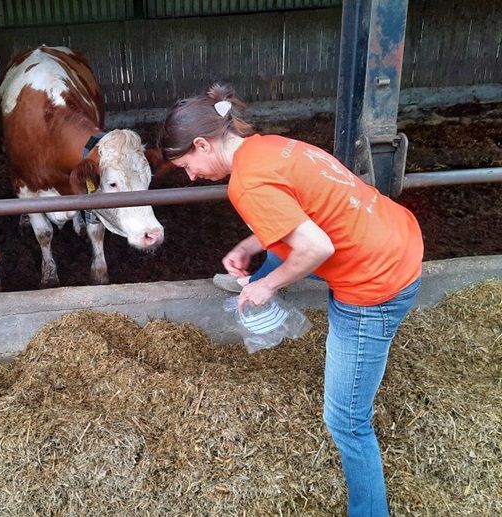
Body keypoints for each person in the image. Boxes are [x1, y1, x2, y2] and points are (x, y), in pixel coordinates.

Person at [159, 84, 424, 516]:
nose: (191, 176)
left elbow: (316, 248)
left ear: (203, 144)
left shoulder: (245, 185)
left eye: (188, 165)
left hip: (375, 285)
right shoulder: (269, 147)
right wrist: (251, 246)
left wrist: (266, 285)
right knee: (275, 258)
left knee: (347, 422)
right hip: (399, 238)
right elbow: (303, 210)